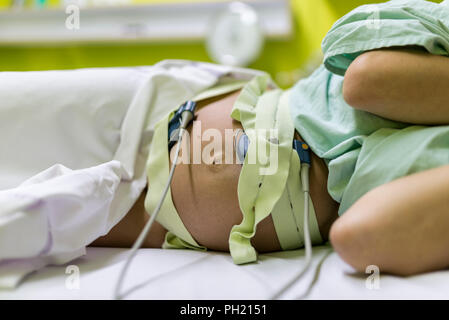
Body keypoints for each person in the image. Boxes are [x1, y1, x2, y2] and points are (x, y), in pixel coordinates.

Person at [94, 0, 449, 277]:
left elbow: (359, 238)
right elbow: (365, 81)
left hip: (162, 224)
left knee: (42, 222)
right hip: (154, 102)